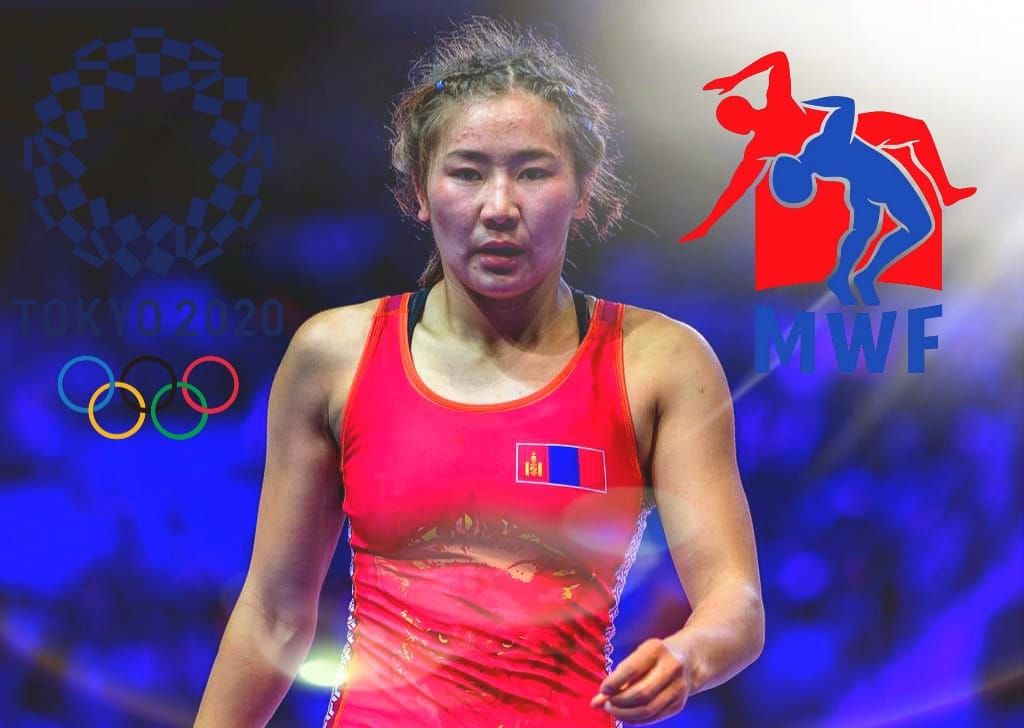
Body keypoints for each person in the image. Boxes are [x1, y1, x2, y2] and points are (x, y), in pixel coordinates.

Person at [195, 17, 764, 728]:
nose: (500, 207)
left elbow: (736, 601)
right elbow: (273, 613)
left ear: (584, 190)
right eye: (467, 172)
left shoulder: (660, 361)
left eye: (533, 172)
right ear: (420, 192)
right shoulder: (333, 355)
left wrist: (688, 654)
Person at [679, 50, 976, 244]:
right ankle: (939, 193)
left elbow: (778, 59)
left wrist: (736, 77)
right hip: (838, 152)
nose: (732, 129)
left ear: (743, 112)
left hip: (846, 135)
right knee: (906, 146)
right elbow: (736, 188)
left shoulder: (777, 111)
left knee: (915, 133)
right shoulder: (760, 144)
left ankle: (944, 190)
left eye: (730, 122)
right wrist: (708, 224)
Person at [771, 95, 936, 305]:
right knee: (918, 226)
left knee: (870, 230)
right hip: (872, 180)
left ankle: (852, 275)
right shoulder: (816, 159)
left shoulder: (824, 145)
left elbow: (845, 104)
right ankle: (855, 276)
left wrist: (805, 104)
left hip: (872, 178)